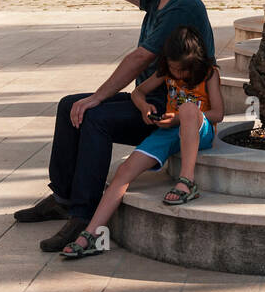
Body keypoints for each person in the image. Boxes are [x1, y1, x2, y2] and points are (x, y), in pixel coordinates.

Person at [13, 0, 216, 253]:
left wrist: (98, 96)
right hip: (149, 98)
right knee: (70, 105)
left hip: (170, 110)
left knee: (95, 116)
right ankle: (63, 197)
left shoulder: (182, 7)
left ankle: (83, 215)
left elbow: (139, 59)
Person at [60, 26, 223, 259]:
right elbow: (138, 93)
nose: (176, 75)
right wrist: (145, 108)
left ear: (194, 63)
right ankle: (92, 235)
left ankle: (187, 182)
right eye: (173, 69)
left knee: (188, 109)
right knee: (125, 170)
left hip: (200, 129)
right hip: (170, 130)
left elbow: (218, 114)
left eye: (182, 70)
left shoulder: (209, 74)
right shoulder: (167, 71)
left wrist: (179, 117)